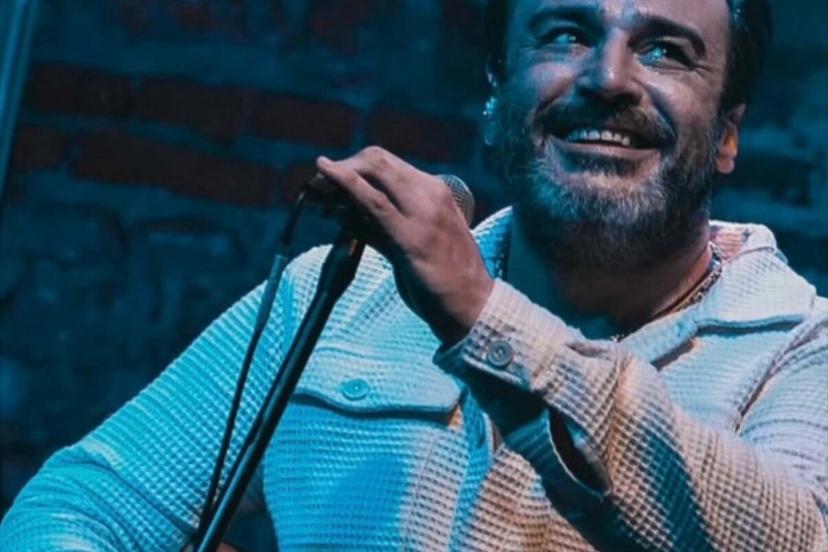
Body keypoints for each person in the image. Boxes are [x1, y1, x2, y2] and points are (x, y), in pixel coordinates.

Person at [2, 0, 826, 549]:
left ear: (727, 133)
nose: (607, 78)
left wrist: (481, 316)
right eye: (564, 35)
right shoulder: (337, 294)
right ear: (498, 97)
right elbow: (77, 508)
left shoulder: (800, 349)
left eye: (665, 51)